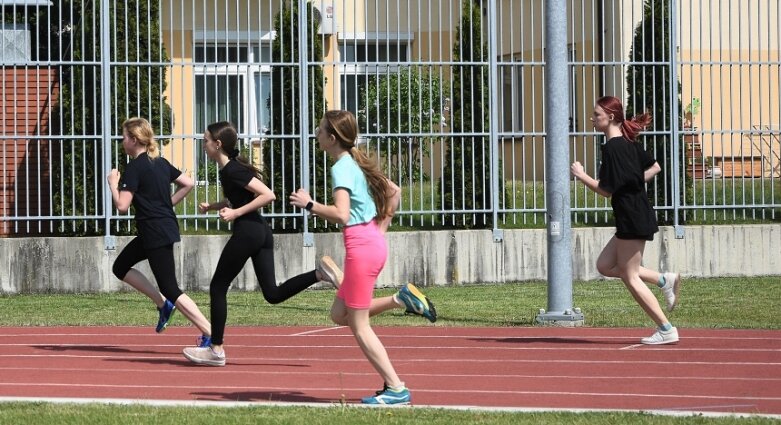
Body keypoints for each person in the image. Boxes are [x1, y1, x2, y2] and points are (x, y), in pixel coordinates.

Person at [289, 110, 437, 405]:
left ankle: (396, 389)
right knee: (338, 315)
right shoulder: (354, 163)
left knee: (359, 326)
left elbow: (342, 214)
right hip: (369, 243)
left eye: (319, 131)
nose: (316, 135)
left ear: (331, 138)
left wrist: (309, 204)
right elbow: (394, 191)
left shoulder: (342, 168)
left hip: (361, 248)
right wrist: (381, 227)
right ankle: (400, 300)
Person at [181, 121, 343, 367]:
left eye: (205, 140)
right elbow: (238, 196)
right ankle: (320, 274)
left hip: (248, 232)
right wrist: (214, 206)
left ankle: (216, 349)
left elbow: (268, 194)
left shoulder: (233, 169)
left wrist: (235, 214)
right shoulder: (229, 170)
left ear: (217, 144)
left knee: (217, 287)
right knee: (272, 294)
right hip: (260, 232)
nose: (202, 145)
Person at [570, 96, 682, 345]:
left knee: (630, 277)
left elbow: (606, 190)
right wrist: (633, 182)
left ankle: (666, 328)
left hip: (632, 216)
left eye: (596, 114)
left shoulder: (612, 148)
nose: (592, 118)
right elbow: (655, 168)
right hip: (633, 213)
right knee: (605, 266)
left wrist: (581, 175)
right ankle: (665, 280)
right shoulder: (630, 144)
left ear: (610, 117)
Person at [107, 117, 212, 340]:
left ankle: (210, 332)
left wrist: (113, 185)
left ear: (134, 140)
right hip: (154, 231)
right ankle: (163, 304)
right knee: (121, 267)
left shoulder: (135, 167)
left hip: (155, 232)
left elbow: (122, 206)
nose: (122, 141)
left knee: (171, 287)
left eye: (124, 136)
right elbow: (188, 183)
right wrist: (167, 204)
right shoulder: (160, 163)